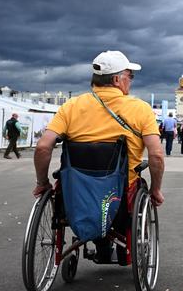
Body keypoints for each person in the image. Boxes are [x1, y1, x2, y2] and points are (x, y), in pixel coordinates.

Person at [31, 50, 165, 260]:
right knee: (138, 186)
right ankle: (124, 247)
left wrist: (42, 182)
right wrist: (156, 189)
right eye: (130, 76)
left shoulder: (71, 106)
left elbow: (42, 147)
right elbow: (156, 155)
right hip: (120, 196)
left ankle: (99, 244)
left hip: (75, 192)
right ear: (116, 79)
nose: (131, 81)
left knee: (66, 186)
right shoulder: (140, 109)